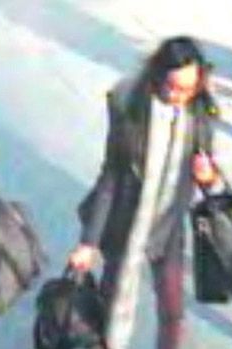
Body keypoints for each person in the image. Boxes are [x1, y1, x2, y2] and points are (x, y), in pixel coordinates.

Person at [69, 36, 220, 349]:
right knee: (112, 311)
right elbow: (110, 177)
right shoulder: (131, 111)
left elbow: (208, 174)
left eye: (188, 89)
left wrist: (208, 176)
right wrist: (88, 242)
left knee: (173, 312)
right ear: (157, 75)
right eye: (173, 87)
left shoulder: (200, 113)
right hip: (126, 225)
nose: (179, 96)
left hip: (168, 228)